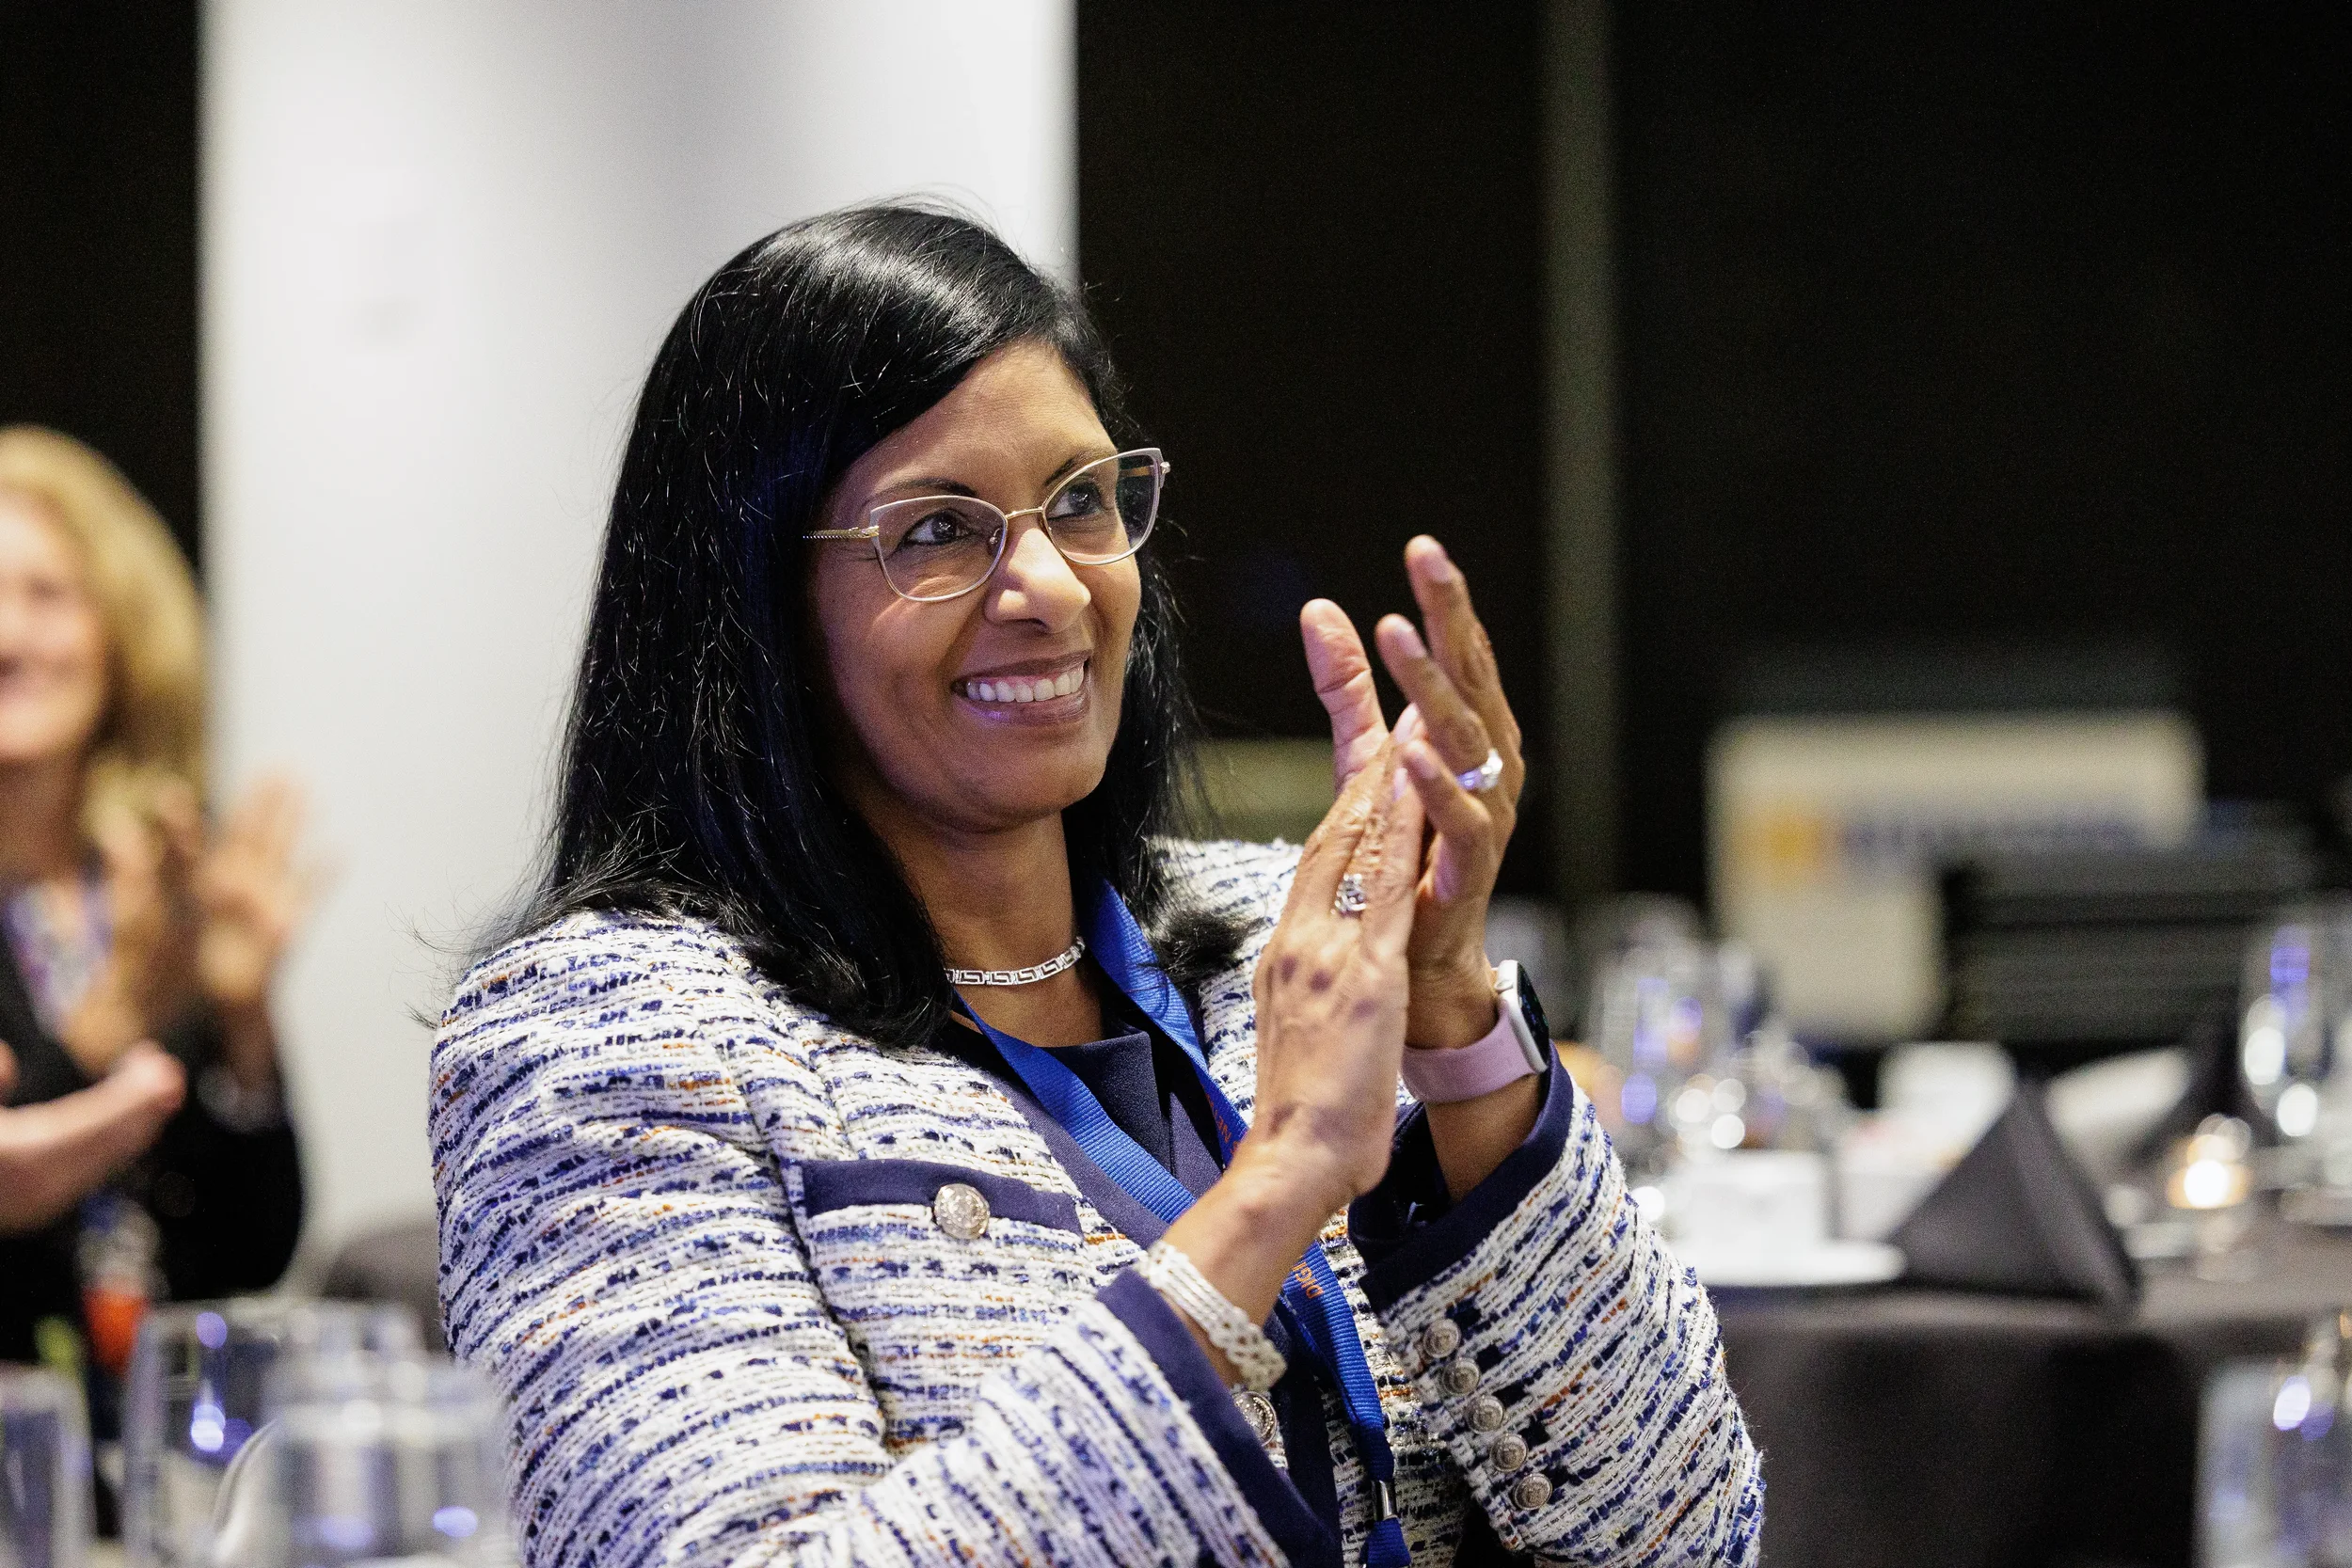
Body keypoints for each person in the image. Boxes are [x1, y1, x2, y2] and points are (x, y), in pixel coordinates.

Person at [434, 206, 1761, 1568]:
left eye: (1079, 501)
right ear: (751, 600)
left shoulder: (1284, 946)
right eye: (938, 530)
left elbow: (1688, 1534)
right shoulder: (605, 1034)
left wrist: (1461, 1027)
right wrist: (1280, 1182)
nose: (1051, 588)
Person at [0, 427, 310, 1376]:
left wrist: (242, 1020)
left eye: (47, 596)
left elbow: (255, 1253)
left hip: (152, 1456)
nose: (8, 639)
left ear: (119, 625)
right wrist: (105, 1028)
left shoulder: (157, 877)